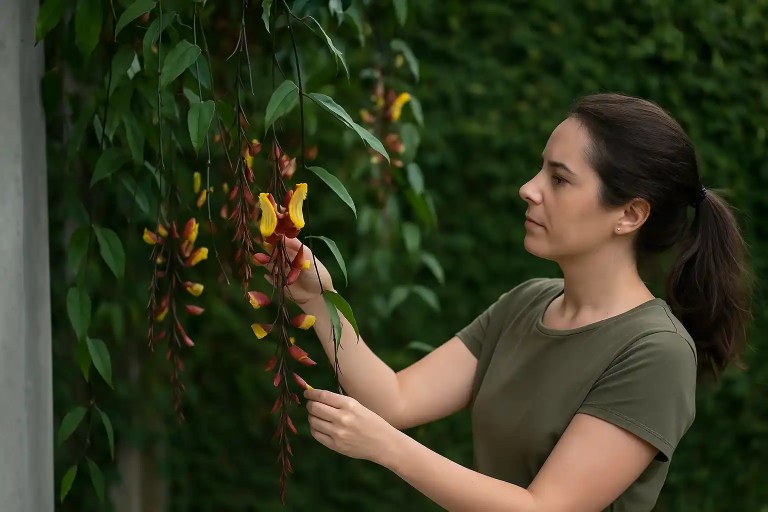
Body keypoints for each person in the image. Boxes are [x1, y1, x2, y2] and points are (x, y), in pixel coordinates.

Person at [273, 93, 751, 511]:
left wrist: (388, 448)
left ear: (629, 214)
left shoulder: (655, 352)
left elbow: (545, 507)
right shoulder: (527, 303)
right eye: (541, 169)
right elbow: (395, 399)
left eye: (559, 179)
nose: (528, 188)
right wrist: (319, 299)